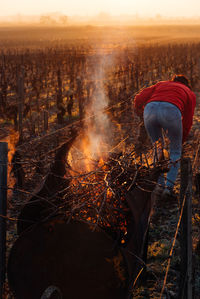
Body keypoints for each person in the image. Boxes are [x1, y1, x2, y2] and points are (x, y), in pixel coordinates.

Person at [134, 74, 196, 198]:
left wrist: (140, 113)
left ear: (172, 81)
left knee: (157, 148)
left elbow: (139, 97)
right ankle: (169, 188)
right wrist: (181, 139)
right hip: (171, 111)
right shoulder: (189, 92)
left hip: (150, 109)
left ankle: (158, 185)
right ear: (187, 85)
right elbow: (188, 120)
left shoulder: (162, 84)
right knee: (175, 151)